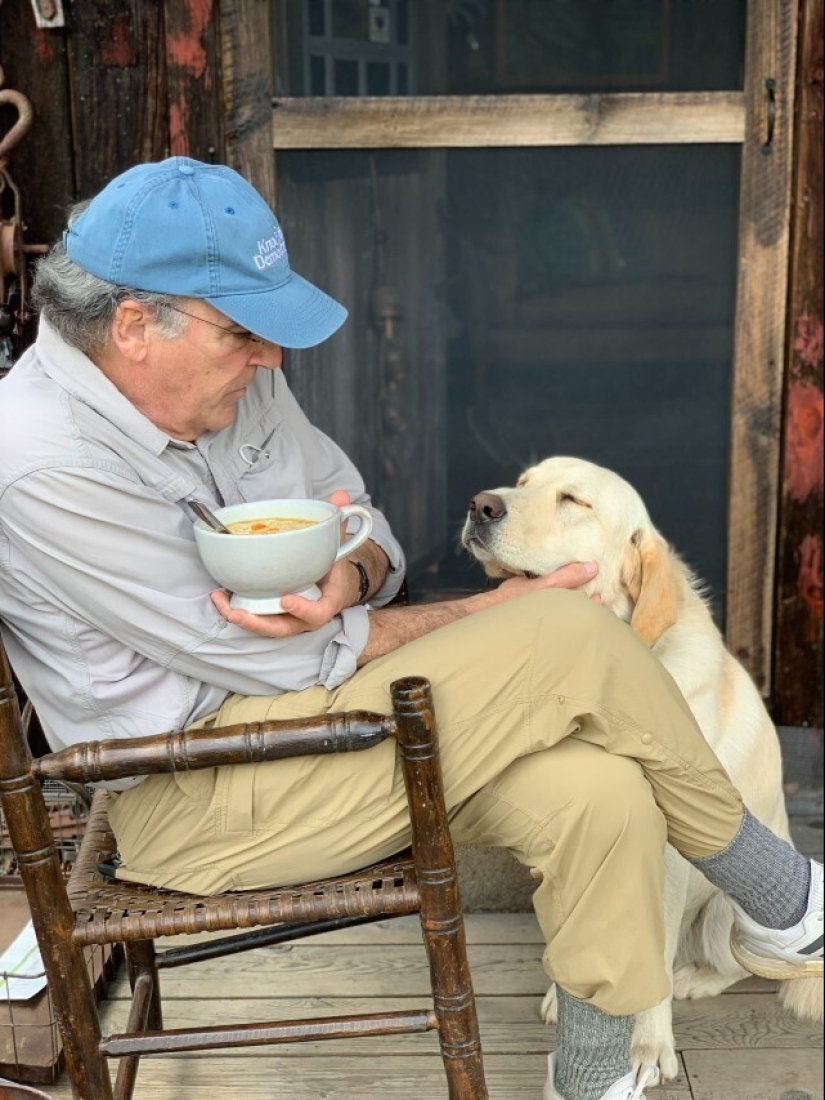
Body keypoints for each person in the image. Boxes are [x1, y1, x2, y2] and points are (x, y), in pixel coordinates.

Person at [0, 157, 820, 1100]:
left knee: (604, 794)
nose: (270, 358)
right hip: (195, 788)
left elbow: (367, 525)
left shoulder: (230, 378)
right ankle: (784, 899)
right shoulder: (38, 461)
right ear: (136, 327)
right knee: (568, 627)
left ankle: (592, 1078)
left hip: (327, 720)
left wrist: (351, 573)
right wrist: (486, 612)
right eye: (242, 332)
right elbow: (264, 654)